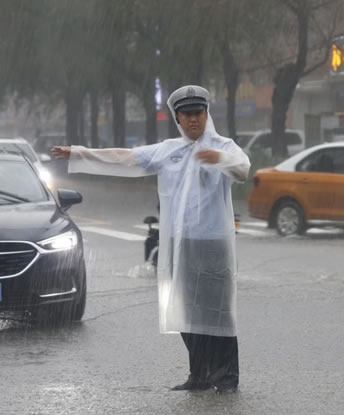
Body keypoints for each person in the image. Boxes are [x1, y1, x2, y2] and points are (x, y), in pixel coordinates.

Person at [52, 85, 251, 392]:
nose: (193, 119)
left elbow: (242, 169)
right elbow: (125, 157)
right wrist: (80, 153)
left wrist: (220, 158)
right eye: (186, 114)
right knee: (187, 310)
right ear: (177, 118)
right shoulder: (168, 150)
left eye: (198, 113)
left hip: (213, 243)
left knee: (218, 311)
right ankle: (199, 375)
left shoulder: (224, 146)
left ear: (206, 114)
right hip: (180, 244)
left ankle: (226, 378)